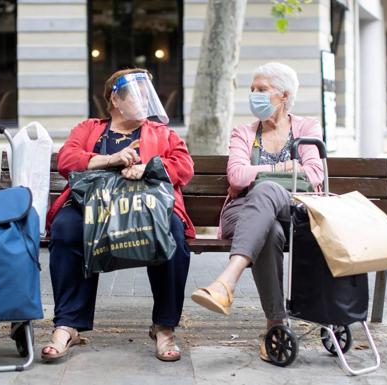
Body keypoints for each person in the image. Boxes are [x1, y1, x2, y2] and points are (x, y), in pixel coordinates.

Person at [42, 68, 195, 362]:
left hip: (147, 209)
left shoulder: (161, 133)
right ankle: (68, 324)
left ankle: (164, 326)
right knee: (66, 229)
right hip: (90, 208)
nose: (145, 102)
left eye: (147, 95)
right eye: (137, 95)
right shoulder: (89, 129)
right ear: (116, 99)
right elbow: (67, 159)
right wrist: (109, 159)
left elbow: (184, 166)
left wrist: (148, 167)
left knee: (173, 233)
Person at [191, 62, 324, 361]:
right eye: (252, 90)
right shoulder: (243, 132)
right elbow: (237, 177)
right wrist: (284, 169)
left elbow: (315, 174)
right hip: (243, 211)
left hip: (296, 212)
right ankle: (276, 326)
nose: (254, 95)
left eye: (262, 90)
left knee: (265, 191)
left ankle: (227, 281)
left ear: (284, 95)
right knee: (270, 229)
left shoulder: (306, 128)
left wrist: (261, 176)